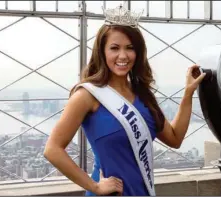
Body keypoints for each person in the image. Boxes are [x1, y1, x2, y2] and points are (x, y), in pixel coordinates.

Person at [44, 5, 206, 196]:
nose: (123, 56)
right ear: (102, 52)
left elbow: (175, 138)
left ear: (138, 53)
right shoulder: (87, 95)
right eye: (114, 48)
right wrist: (94, 186)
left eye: (130, 48)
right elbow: (52, 149)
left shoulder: (143, 95)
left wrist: (188, 93)